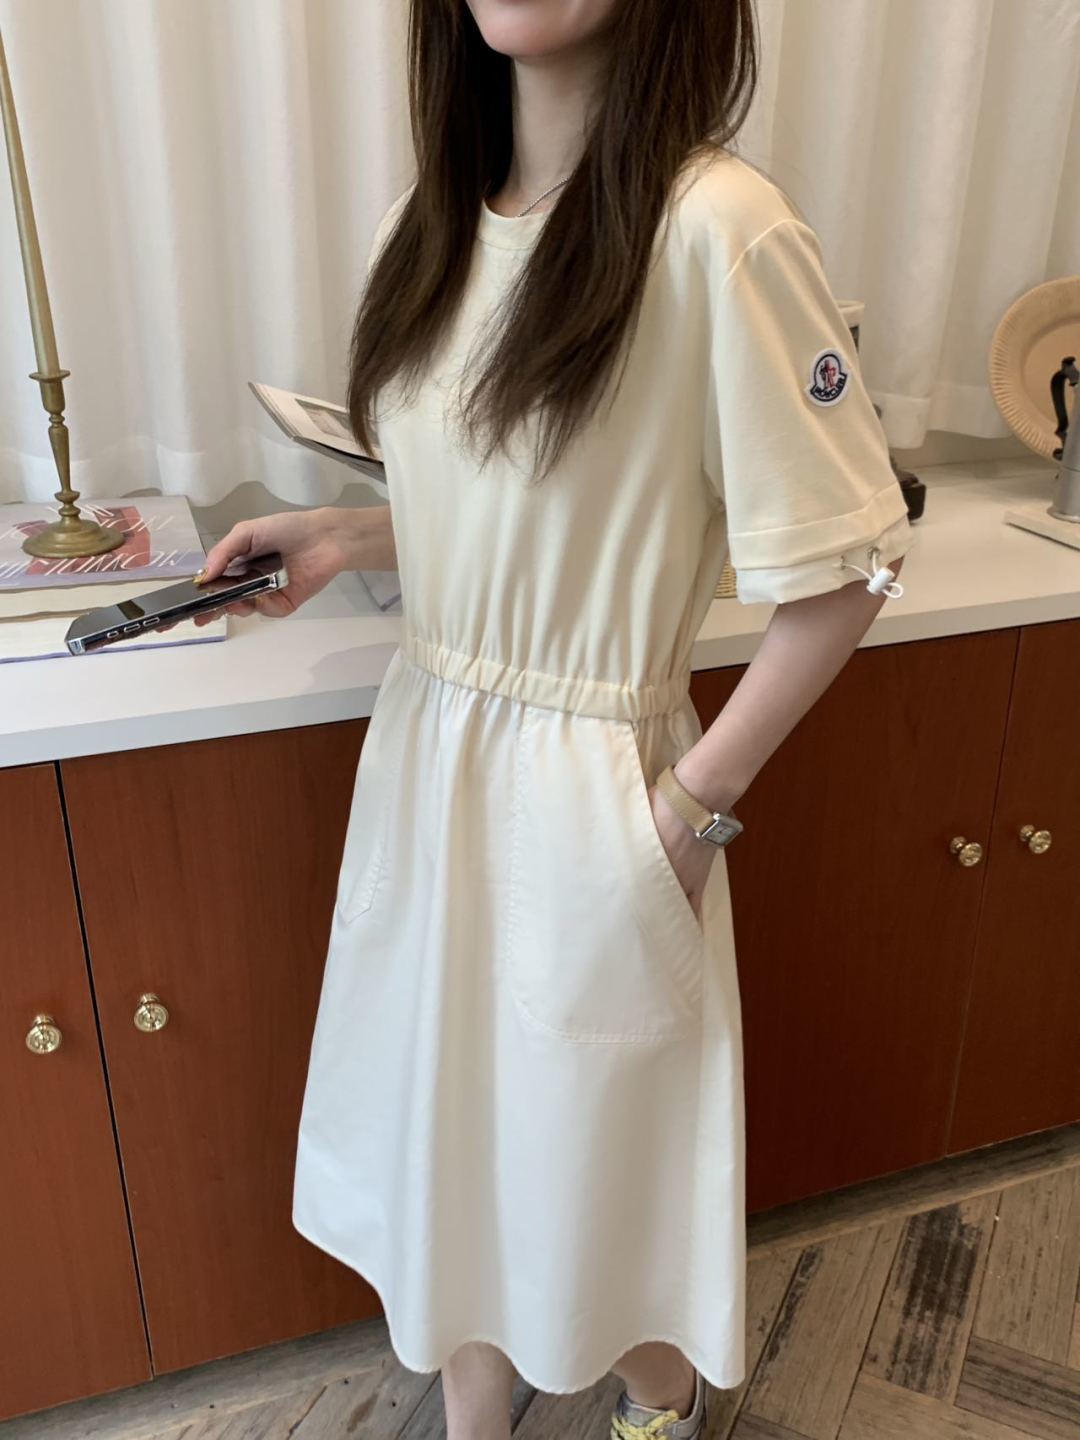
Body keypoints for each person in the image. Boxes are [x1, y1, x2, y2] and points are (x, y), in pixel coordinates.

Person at [194, 2, 915, 1437]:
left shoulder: (719, 230)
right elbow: (501, 497)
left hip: (596, 792)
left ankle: (662, 1403)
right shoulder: (434, 224)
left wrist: (686, 811)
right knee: (448, 1152)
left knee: (592, 1176)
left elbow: (849, 570)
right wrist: (346, 533)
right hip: (431, 762)